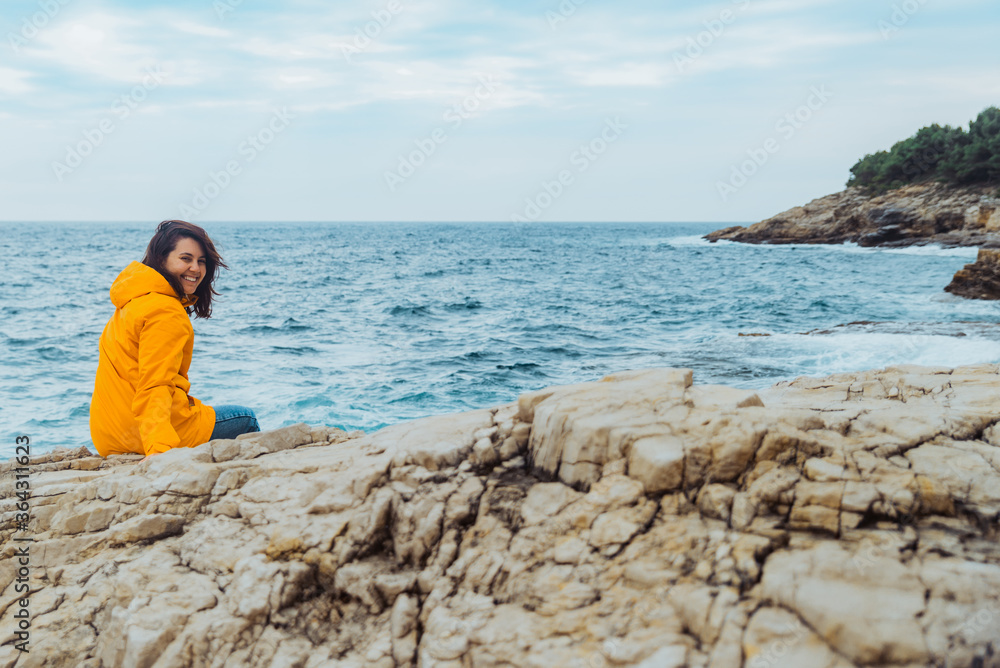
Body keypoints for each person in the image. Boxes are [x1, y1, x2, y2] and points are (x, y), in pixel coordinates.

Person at [90, 220, 260, 459]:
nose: (196, 269)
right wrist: (161, 452)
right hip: (143, 435)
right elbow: (154, 385)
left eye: (201, 261)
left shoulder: (132, 301)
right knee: (246, 418)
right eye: (186, 258)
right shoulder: (165, 311)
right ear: (161, 259)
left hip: (109, 436)